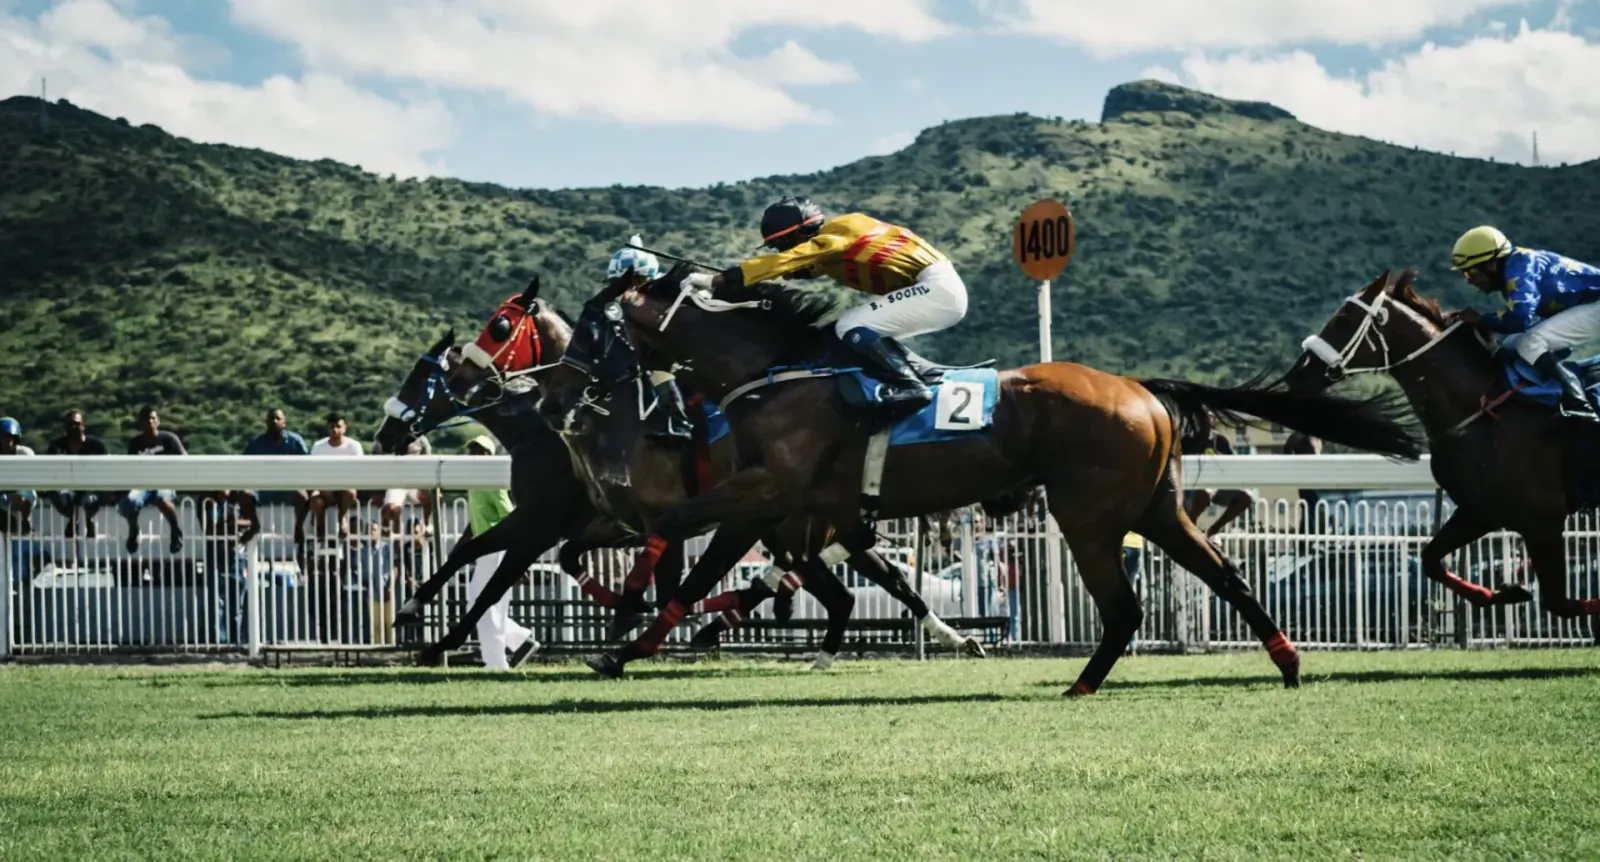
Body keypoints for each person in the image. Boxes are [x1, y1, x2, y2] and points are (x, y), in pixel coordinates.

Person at [679, 196, 966, 407]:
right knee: (864, 330)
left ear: (801, 233)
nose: (782, 250)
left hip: (935, 288)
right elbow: (805, 266)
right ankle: (917, 372)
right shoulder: (837, 244)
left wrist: (715, 280)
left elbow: (789, 260)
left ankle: (911, 386)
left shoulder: (841, 230)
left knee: (850, 325)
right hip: (934, 288)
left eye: (783, 244)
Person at [1449, 225, 1600, 422]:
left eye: (1470, 273)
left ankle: (1580, 404)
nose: (1469, 281)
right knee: (1511, 344)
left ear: (1491, 264)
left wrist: (1481, 319)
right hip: (1588, 305)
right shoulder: (1516, 265)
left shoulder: (1520, 270)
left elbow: (1519, 318)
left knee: (1530, 342)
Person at [462, 434, 538, 669]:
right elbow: (476, 520)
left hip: (496, 549)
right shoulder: (475, 482)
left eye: (479, 451)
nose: (474, 455)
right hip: (488, 550)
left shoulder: (491, 482)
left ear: (489, 455)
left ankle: (496, 662)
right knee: (478, 605)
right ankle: (519, 641)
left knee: (484, 606)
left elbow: (509, 517)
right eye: (472, 450)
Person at [607, 237, 692, 441]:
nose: (626, 290)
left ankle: (680, 424)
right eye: (620, 284)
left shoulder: (668, 296)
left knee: (657, 373)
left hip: (688, 358)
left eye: (635, 281)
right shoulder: (626, 307)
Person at [237, 408, 311, 545]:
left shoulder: (295, 441)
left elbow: (307, 464)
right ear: (266, 422)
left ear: (284, 422)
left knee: (302, 496)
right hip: (262, 488)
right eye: (271, 419)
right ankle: (254, 525)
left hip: (287, 487)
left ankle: (298, 527)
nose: (275, 421)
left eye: (278, 418)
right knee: (245, 494)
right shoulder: (256, 443)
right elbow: (243, 464)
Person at [119, 406, 185, 554]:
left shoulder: (169, 439)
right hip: (143, 484)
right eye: (146, 419)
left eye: (152, 418)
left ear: (158, 421)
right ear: (140, 423)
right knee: (131, 501)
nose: (150, 421)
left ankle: (175, 531)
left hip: (165, 482)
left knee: (162, 499)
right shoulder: (135, 443)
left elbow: (185, 460)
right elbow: (129, 468)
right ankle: (133, 531)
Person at [46, 409, 109, 538]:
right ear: (65, 427)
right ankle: (74, 518)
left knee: (91, 499)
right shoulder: (56, 447)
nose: (74, 427)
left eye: (77, 424)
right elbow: (51, 471)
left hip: (92, 486)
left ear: (83, 425)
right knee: (61, 496)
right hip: (67, 486)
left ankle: (88, 519)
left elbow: (107, 468)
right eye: (70, 424)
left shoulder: (97, 445)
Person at [1183, 429, 1255, 538]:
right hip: (1192, 486)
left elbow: (1234, 464)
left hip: (1216, 485)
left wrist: (1220, 460)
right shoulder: (1187, 440)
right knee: (1204, 493)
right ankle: (1190, 529)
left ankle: (1213, 530)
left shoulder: (1220, 440)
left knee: (1246, 496)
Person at [308, 412, 362, 544]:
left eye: (338, 426)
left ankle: (342, 519)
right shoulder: (318, 447)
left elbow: (358, 471)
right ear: (328, 428)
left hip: (345, 486)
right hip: (324, 488)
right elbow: (314, 472)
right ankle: (321, 528)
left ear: (345, 428)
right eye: (332, 427)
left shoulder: (354, 446)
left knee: (350, 492)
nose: (335, 430)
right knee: (315, 500)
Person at [0, 417, 36, 536]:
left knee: (22, 495)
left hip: (21, 490)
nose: (7, 441)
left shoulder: (25, 453)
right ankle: (9, 523)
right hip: (2, 493)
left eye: (10, 437)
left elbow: (31, 477)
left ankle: (25, 520)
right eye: (4, 437)